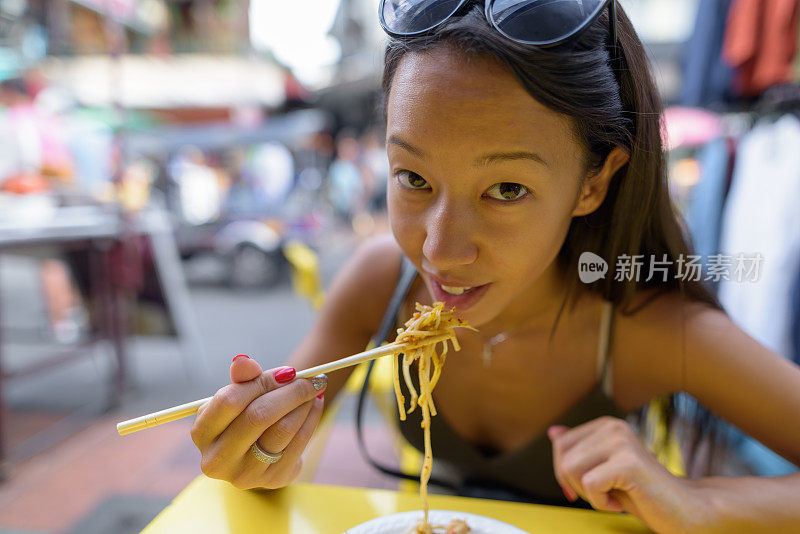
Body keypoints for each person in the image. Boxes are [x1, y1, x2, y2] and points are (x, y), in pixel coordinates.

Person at [190, 2, 800, 531]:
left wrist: (697, 504)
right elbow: (281, 458)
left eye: (506, 189)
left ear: (594, 183)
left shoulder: (646, 325)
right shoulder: (381, 280)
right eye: (414, 177)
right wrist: (265, 457)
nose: (439, 251)